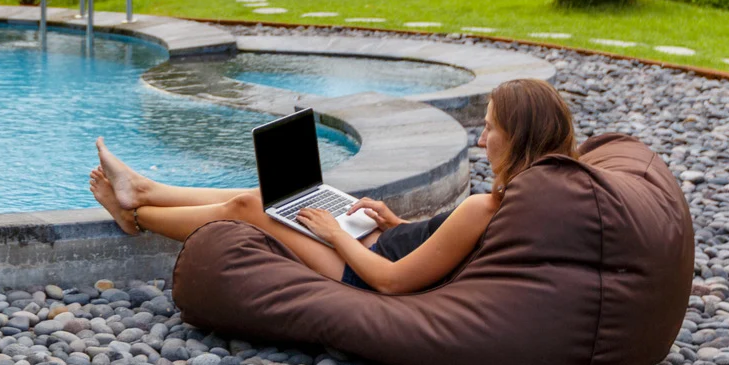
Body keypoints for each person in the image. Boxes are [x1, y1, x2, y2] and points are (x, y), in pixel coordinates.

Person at [89, 78, 576, 294]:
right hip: (379, 242)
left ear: (520, 140)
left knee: (248, 207)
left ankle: (136, 215)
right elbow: (445, 248)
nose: (481, 137)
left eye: (491, 129)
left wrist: (336, 233)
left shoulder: (485, 208)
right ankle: (144, 188)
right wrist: (397, 221)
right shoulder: (513, 202)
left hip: (362, 270)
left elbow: (390, 282)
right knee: (270, 197)